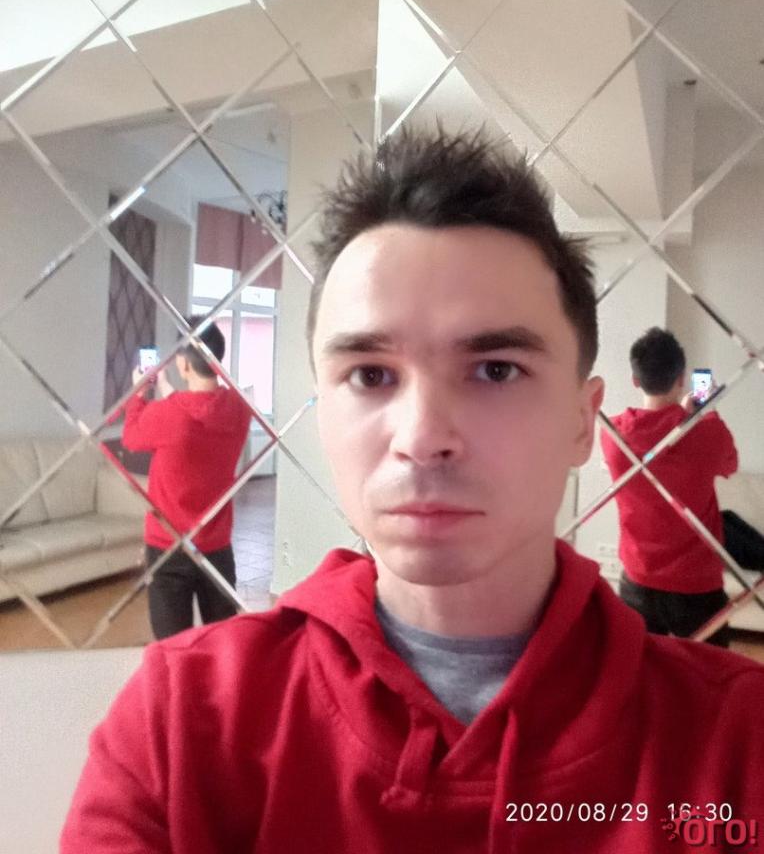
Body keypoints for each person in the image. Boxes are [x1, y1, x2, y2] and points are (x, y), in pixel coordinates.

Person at [62, 129, 763, 853]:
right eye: (370, 375)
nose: (423, 436)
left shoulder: (737, 742)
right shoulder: (181, 722)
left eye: (495, 370)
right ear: (323, 416)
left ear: (583, 423)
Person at [600, 327, 738, 647]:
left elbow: (656, 440)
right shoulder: (706, 432)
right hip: (696, 585)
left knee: (643, 666)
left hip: (638, 579)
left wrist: (688, 417)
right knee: (710, 670)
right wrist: (702, 413)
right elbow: (729, 466)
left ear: (635, 380)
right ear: (681, 379)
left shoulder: (613, 435)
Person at [122, 316, 252, 639]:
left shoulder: (169, 414)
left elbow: (131, 437)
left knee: (172, 646)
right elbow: (194, 414)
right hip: (217, 546)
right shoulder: (239, 408)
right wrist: (166, 388)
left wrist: (139, 392)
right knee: (221, 641)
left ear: (184, 364)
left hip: (168, 546)